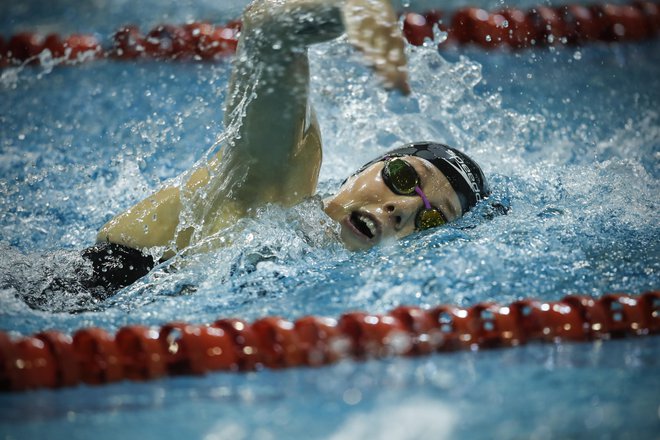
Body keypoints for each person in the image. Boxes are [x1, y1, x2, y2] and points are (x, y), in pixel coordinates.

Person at [81, 0, 490, 294]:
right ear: (363, 169)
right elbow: (269, 28)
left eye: (432, 219)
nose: (402, 210)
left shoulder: (316, 271)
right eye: (403, 178)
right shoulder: (276, 188)